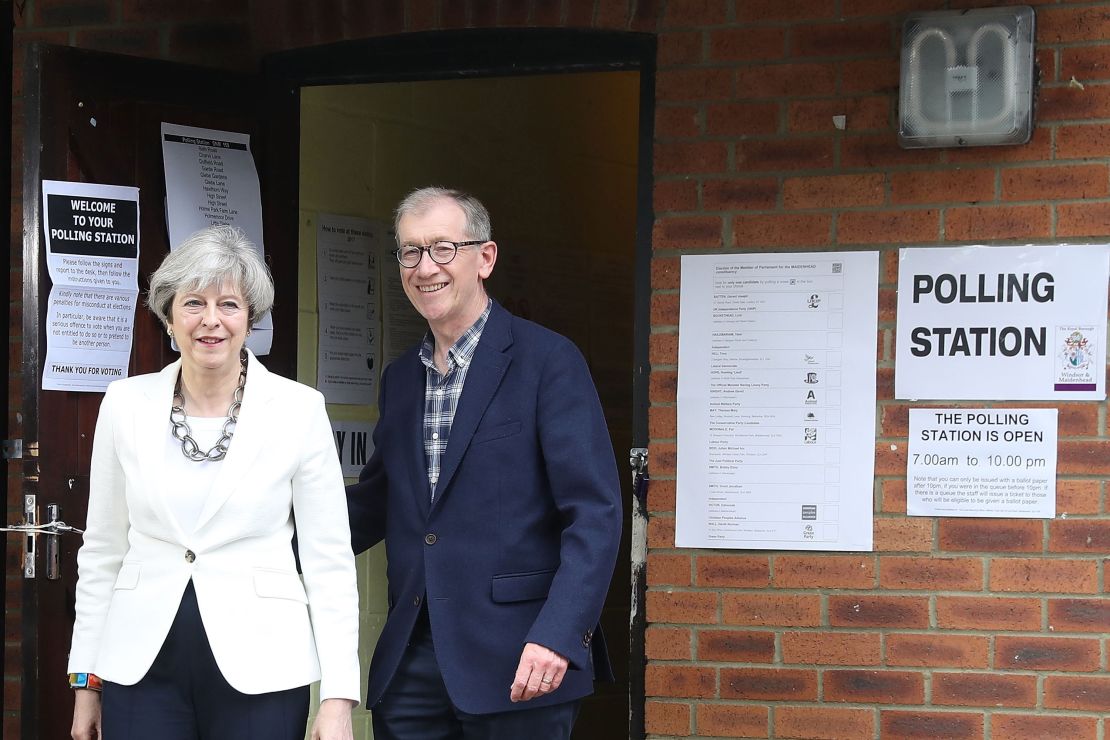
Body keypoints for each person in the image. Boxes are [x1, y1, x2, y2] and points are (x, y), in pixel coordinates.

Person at [346, 187, 622, 738]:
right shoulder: (402, 380)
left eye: (443, 248)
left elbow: (594, 512)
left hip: (522, 659)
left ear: (485, 258)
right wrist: (256, 538)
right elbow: (376, 504)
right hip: (413, 664)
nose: (426, 268)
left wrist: (559, 635)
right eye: (411, 252)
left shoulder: (548, 361)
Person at [68, 225, 360, 740]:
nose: (211, 321)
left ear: (250, 318)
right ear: (168, 316)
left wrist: (339, 696)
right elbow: (102, 552)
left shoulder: (299, 410)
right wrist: (85, 682)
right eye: (193, 303)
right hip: (141, 668)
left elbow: (329, 562)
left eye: (229, 304)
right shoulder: (124, 405)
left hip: (264, 666)